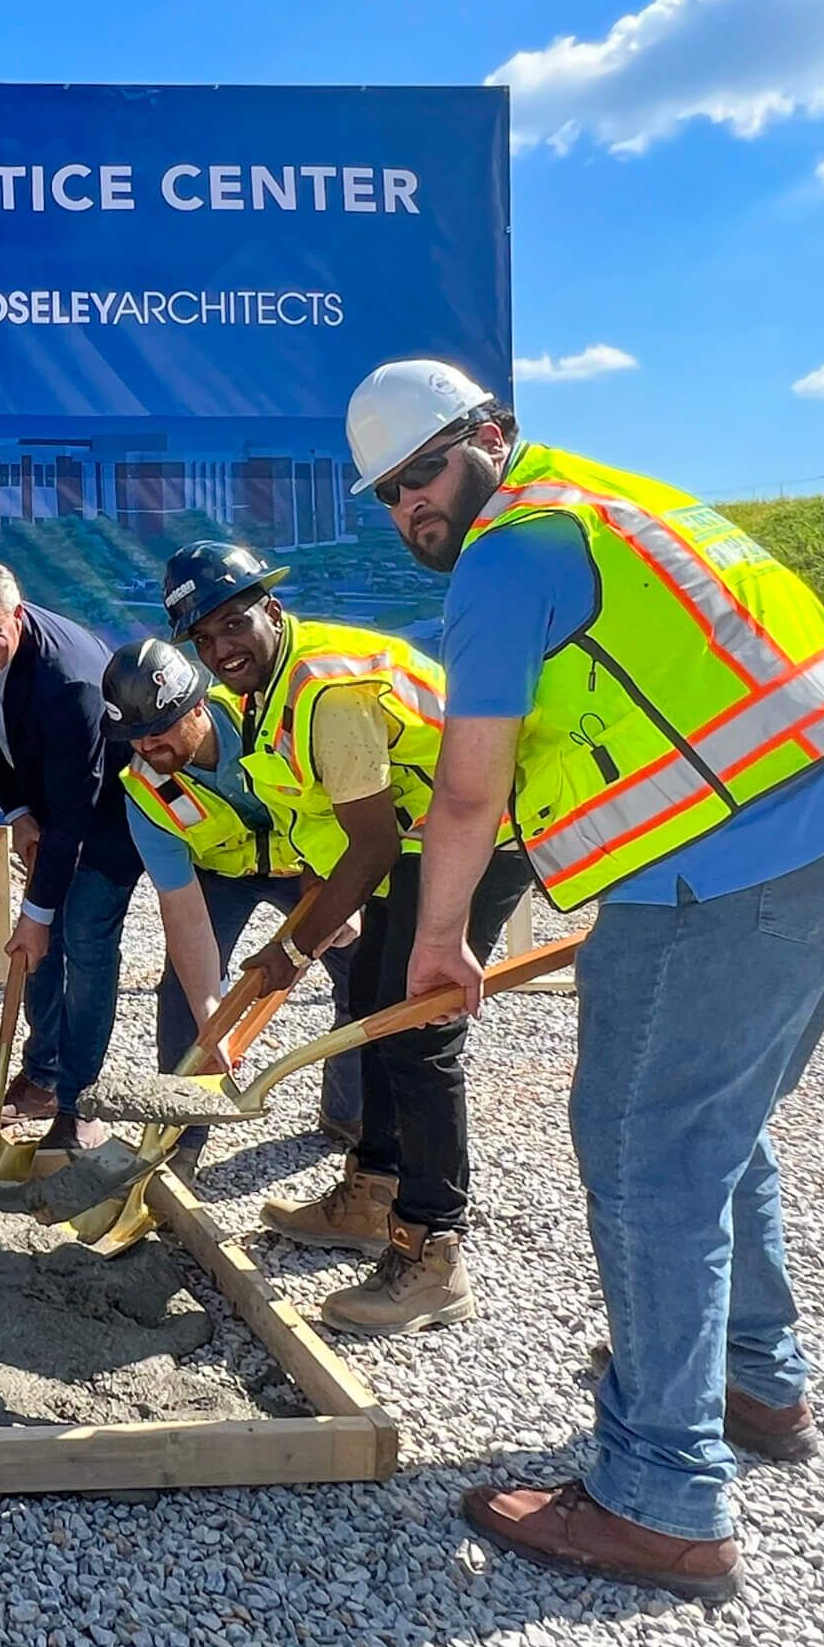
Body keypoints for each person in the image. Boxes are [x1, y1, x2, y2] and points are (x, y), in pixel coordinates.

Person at [350, 359, 824, 1601]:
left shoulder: (508, 558)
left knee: (641, 1146)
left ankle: (663, 1497)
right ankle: (751, 1379)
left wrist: (440, 939)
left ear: (488, 439)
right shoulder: (616, 503)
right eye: (391, 495)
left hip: (740, 863)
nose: (414, 510)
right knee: (716, 1123)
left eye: (426, 474)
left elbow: (468, 790)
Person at [168, 539, 531, 1333]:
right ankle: (373, 1191)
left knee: (419, 1030)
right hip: (411, 840)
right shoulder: (261, 695)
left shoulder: (326, 691)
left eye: (234, 623)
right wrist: (316, 914)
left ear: (271, 608)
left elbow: (366, 846)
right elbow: (326, 822)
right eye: (204, 638)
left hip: (478, 834)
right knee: (366, 1005)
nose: (222, 647)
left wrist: (294, 948)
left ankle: (431, 1252)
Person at [97, 636, 358, 1174]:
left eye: (158, 731)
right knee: (184, 999)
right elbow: (182, 909)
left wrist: (342, 896)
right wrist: (211, 1020)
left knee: (365, 968)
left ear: (197, 706)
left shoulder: (269, 728)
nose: (147, 749)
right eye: (134, 737)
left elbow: (342, 811)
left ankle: (350, 1116)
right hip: (223, 876)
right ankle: (178, 1146)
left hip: (309, 863)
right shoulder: (145, 792)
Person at [0, 559, 140, 1152]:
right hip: (46, 805)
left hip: (107, 821)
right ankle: (44, 1072)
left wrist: (38, 912)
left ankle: (82, 1099)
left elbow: (78, 815)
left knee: (82, 939)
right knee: (39, 952)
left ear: (16, 616)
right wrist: (20, 815)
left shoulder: (69, 682)